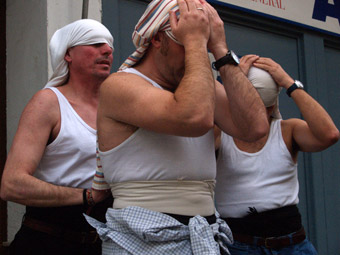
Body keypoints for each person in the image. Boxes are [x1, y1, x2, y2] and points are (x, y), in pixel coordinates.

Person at [84, 0, 269, 254]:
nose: (199, 54)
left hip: (202, 233)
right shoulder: (120, 85)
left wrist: (221, 50)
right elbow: (193, 118)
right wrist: (196, 40)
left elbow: (255, 128)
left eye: (204, 44)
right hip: (141, 241)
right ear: (159, 39)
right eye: (188, 40)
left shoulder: (200, 88)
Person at [0, 19, 114, 255]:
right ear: (68, 54)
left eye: (110, 45)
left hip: (102, 244)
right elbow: (12, 185)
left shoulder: (115, 106)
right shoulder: (48, 103)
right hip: (47, 242)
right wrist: (87, 196)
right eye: (94, 43)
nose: (107, 50)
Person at [214, 55, 339, 255]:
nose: (252, 115)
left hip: (292, 244)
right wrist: (229, 82)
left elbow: (329, 135)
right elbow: (202, 116)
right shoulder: (220, 134)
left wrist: (289, 83)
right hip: (239, 245)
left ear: (271, 107)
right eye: (246, 106)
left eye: (259, 108)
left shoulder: (287, 131)